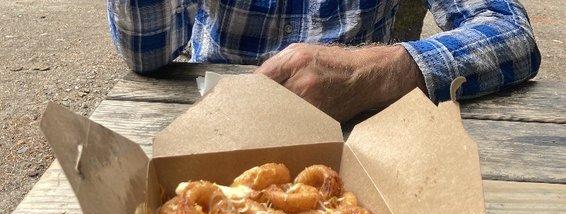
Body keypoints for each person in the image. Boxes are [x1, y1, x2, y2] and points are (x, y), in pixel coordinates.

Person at [107, 0, 540, 122]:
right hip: (203, 120)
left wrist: (372, 72)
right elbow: (148, 54)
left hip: (353, 134)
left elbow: (511, 33)